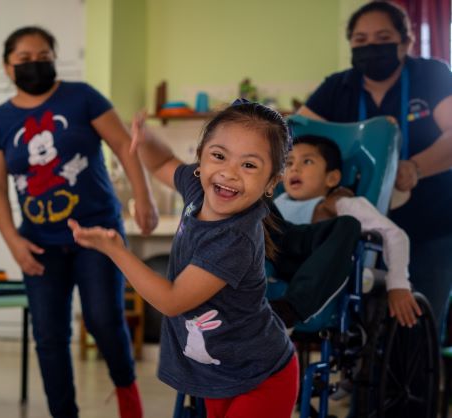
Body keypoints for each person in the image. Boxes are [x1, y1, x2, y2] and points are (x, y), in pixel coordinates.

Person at [68, 101, 298, 418]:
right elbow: (162, 161)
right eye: (219, 156)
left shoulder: (235, 240)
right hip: (218, 374)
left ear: (272, 182)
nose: (229, 172)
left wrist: (117, 251)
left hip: (261, 375)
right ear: (201, 160)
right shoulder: (197, 189)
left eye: (249, 165)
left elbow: (172, 301)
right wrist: (146, 140)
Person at [0, 26, 158, 418]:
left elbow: (124, 148)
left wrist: (142, 197)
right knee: (48, 336)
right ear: (7, 67)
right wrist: (12, 241)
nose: (34, 64)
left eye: (43, 55)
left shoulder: (82, 97)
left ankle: (128, 394)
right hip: (39, 241)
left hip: (98, 235)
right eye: (24, 59)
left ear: (55, 57)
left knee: (103, 321)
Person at [297, 1, 452, 334]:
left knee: (419, 325)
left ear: (406, 41)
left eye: (382, 37)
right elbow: (296, 134)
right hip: (363, 229)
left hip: (431, 226)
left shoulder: (432, 75)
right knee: (360, 327)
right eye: (361, 41)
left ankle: (421, 384)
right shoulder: (337, 87)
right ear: (351, 45)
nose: (371, 48)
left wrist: (415, 168)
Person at [274, 134, 421, 327]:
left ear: (332, 178)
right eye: (289, 162)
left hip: (319, 271)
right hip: (275, 263)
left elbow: (394, 234)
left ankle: (290, 309)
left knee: (348, 224)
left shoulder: (342, 203)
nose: (294, 168)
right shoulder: (274, 204)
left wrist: (398, 283)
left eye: (307, 161)